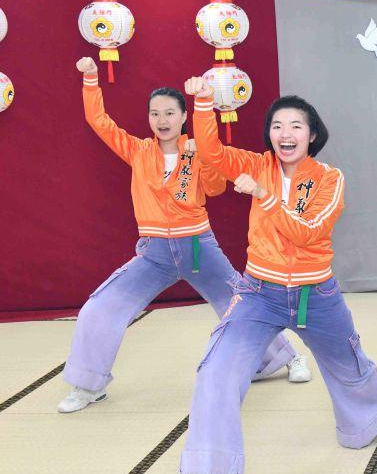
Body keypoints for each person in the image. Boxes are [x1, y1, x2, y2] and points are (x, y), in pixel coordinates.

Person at [161, 77, 377, 474]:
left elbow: (308, 232)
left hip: (316, 294)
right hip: (258, 292)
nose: (285, 134)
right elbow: (211, 152)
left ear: (312, 134)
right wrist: (202, 102)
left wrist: (264, 196)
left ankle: (375, 415)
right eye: (277, 126)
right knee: (217, 368)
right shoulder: (257, 164)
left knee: (348, 361)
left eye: (295, 126)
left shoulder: (330, 179)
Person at [59, 58, 309, 415]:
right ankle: (87, 385)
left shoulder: (196, 149)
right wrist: (90, 77)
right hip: (153, 252)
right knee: (101, 306)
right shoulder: (139, 151)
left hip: (196, 246)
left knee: (240, 302)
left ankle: (288, 357)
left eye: (169, 113)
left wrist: (202, 157)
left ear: (183, 117)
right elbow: (99, 121)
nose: (162, 121)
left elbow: (215, 188)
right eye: (155, 114)